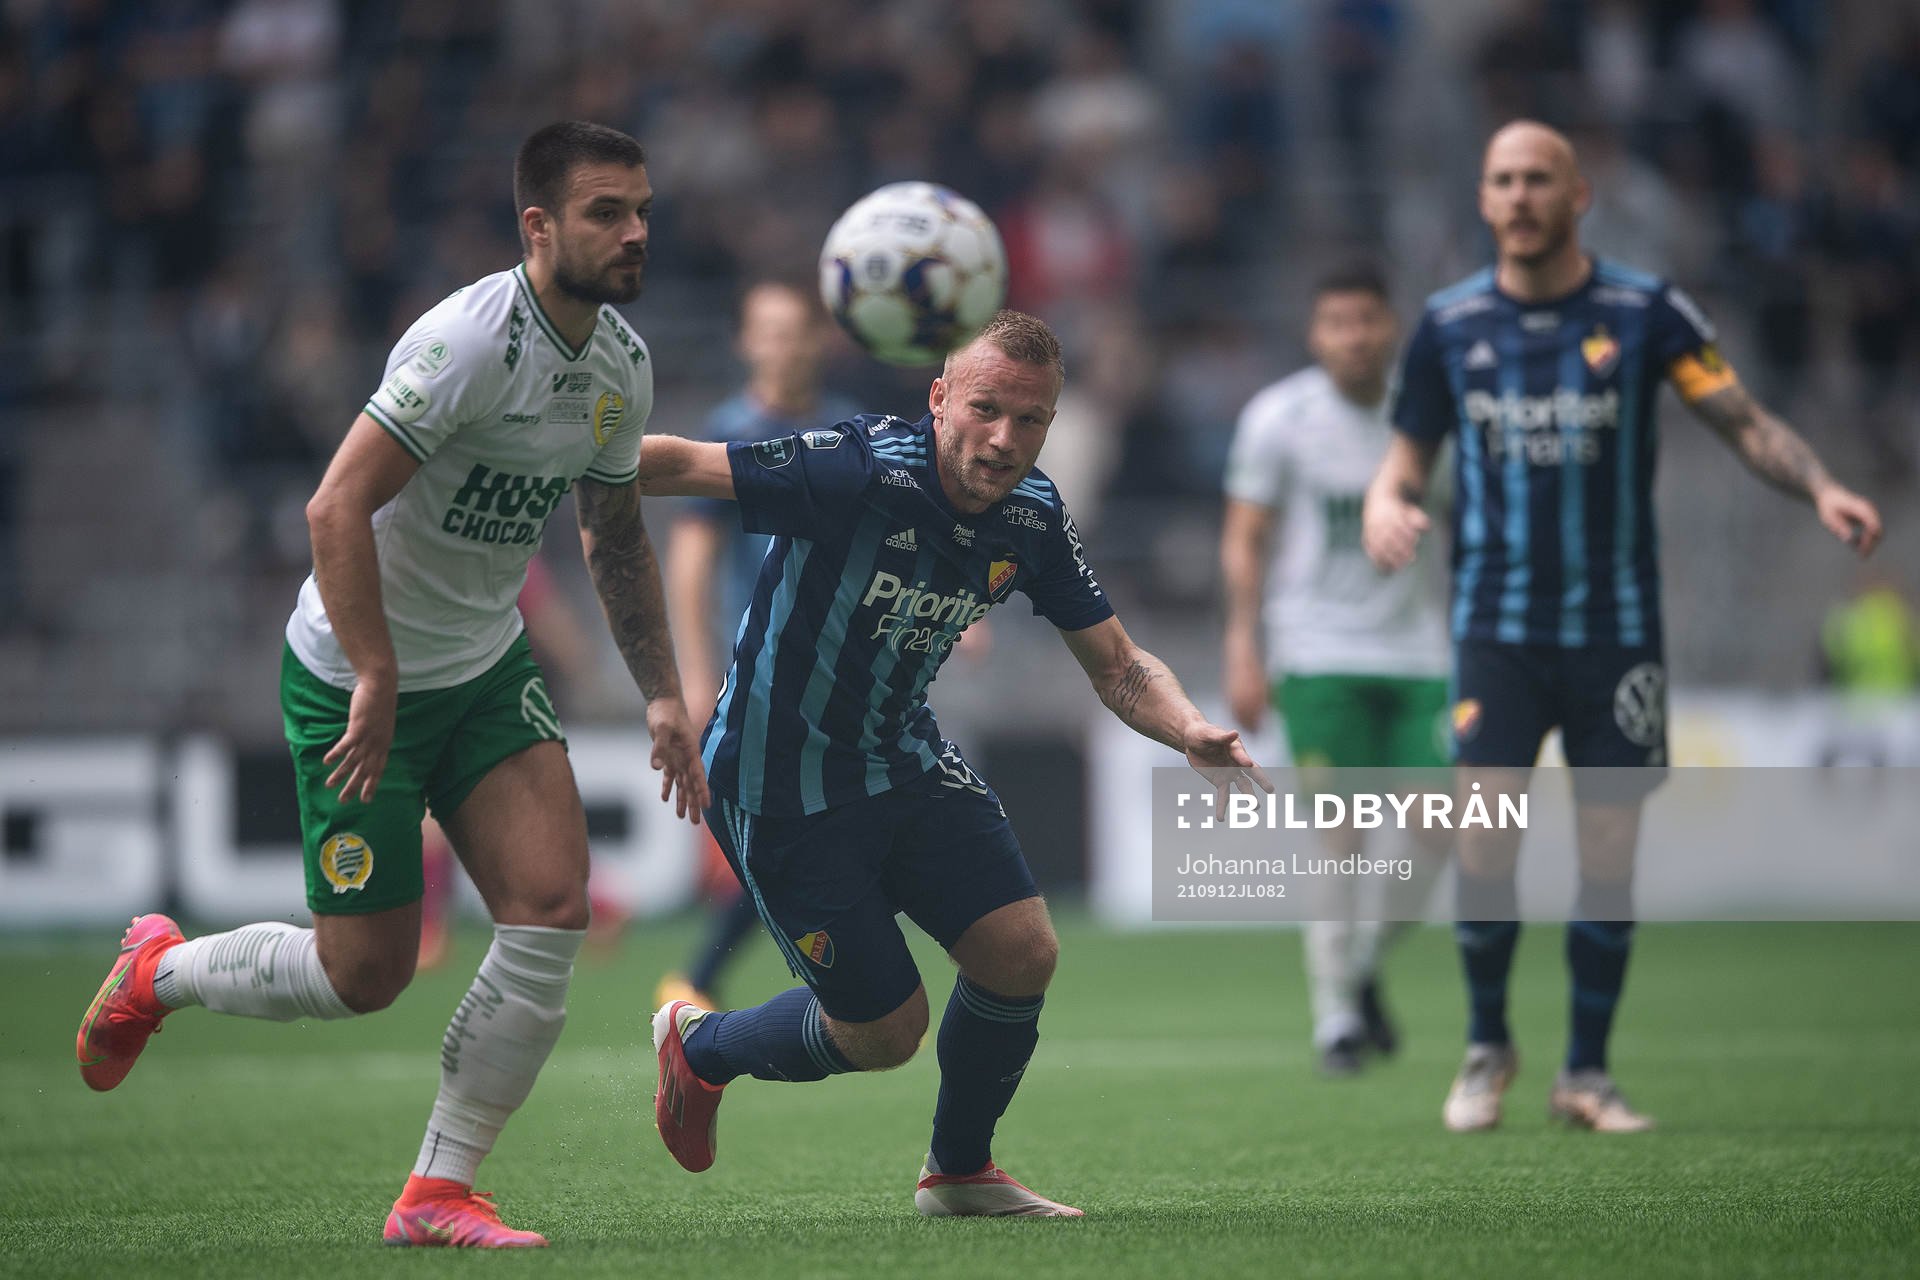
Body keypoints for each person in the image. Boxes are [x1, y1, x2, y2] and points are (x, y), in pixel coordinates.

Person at [74, 121, 708, 1248]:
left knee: (553, 903)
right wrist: (374, 668)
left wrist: (659, 689)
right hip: (351, 672)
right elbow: (332, 506)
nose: (635, 232)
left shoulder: (618, 364)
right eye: (608, 212)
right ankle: (157, 970)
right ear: (539, 226)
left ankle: (438, 1190)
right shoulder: (466, 343)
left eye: (643, 209)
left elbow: (612, 535)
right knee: (362, 973)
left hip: (479, 664)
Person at [638, 311, 1269, 1217]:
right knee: (885, 1033)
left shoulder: (1033, 516)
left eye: (1032, 420)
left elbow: (1122, 666)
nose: (1006, 440)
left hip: (903, 757)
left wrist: (1188, 729)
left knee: (1022, 954)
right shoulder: (856, 468)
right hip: (782, 782)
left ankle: (959, 1172)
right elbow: (679, 465)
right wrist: (538, 447)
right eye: (986, 409)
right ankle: (700, 1050)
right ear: (939, 400)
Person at [1364, 120, 1884, 1134]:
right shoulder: (1448, 324)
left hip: (1616, 634)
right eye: (1502, 180)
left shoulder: (1645, 313)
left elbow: (1739, 417)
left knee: (1608, 852)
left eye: (1538, 180)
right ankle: (1485, 1046)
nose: (1518, 196)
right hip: (1496, 631)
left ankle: (1587, 1073)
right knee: (1486, 843)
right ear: (1483, 199)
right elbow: (1403, 458)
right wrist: (1389, 502)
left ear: (1578, 194)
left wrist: (1819, 483)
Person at [1220, 262, 1451, 1078]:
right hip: (1316, 651)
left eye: (1367, 320)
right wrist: (1243, 648)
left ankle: (1359, 965)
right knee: (1340, 836)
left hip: (1421, 648)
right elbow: (1246, 538)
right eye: (1337, 322)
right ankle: (1336, 1022)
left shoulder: (1429, 414)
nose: (1354, 336)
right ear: (1317, 333)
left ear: (1392, 328)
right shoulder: (1279, 418)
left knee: (1441, 824)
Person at [654, 281, 860, 1012]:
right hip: (765, 671)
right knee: (809, 837)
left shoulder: (846, 428)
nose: (780, 345)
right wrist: (700, 670)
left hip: (843, 669)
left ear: (818, 340)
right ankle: (711, 981)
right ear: (746, 342)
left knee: (828, 835)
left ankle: (703, 980)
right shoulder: (730, 431)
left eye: (793, 331)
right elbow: (692, 558)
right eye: (765, 331)